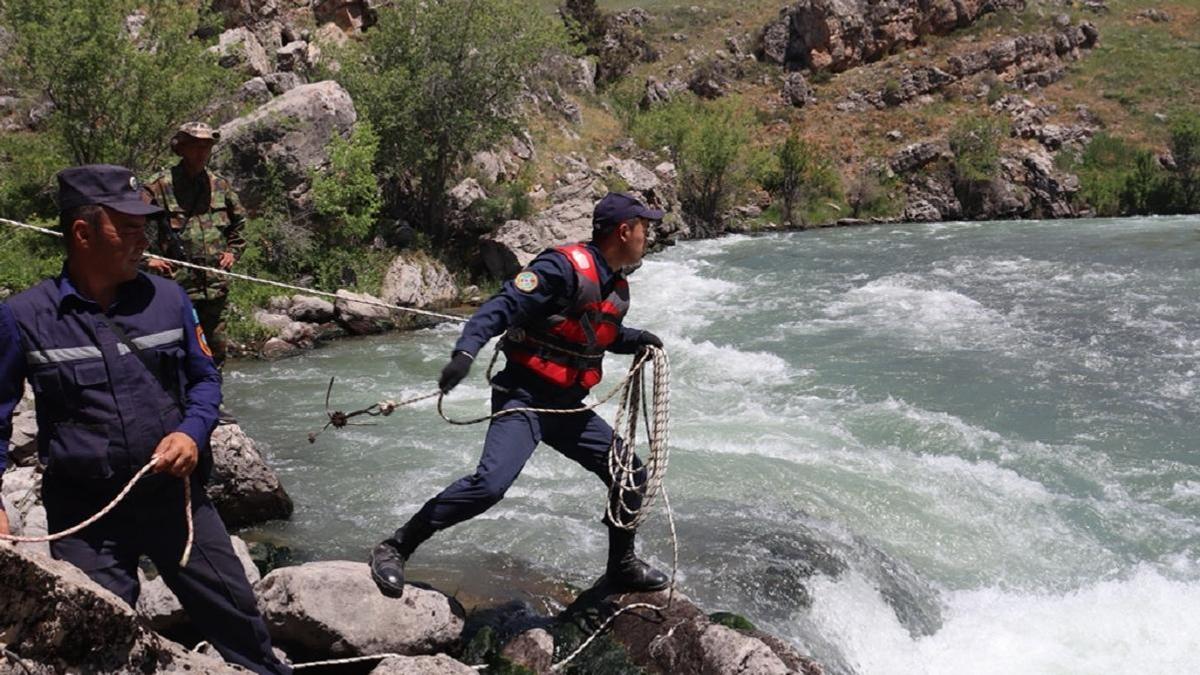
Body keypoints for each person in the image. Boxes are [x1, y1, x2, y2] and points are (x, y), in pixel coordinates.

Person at [0, 165, 289, 675]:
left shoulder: (169, 300)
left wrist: (191, 433)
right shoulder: (24, 317)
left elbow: (205, 382)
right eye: (127, 227)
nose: (143, 239)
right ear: (83, 233)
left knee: (241, 621)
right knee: (95, 645)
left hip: (175, 504)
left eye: (144, 227)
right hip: (86, 519)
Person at [369, 192, 670, 598]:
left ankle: (620, 566)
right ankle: (396, 546)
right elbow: (499, 307)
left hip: (565, 406)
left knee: (629, 473)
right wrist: (464, 353)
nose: (647, 235)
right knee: (489, 486)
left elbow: (594, 334)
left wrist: (636, 340)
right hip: (524, 397)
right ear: (624, 230)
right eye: (644, 227)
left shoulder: (615, 284)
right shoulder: (559, 268)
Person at [143, 122, 245, 368]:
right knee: (178, 352)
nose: (201, 152)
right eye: (196, 146)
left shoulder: (220, 185)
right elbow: (127, 224)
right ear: (182, 149)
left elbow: (239, 224)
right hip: (176, 287)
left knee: (215, 354)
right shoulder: (159, 186)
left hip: (214, 286)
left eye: (206, 147)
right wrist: (146, 260)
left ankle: (211, 403)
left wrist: (233, 252)